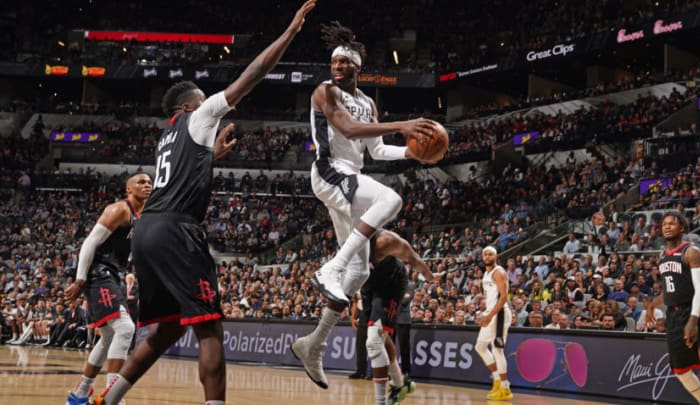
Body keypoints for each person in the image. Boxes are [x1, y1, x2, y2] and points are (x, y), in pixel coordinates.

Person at [93, 3, 317, 404]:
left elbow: (179, 173)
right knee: (209, 326)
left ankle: (106, 400)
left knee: (168, 330)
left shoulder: (167, 137)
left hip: (146, 232)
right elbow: (251, 77)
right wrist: (290, 33)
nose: (208, 101)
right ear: (190, 105)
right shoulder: (198, 116)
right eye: (202, 98)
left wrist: (210, 156)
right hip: (177, 230)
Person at [291, 20, 435, 389]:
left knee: (359, 275)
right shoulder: (325, 92)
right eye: (335, 63)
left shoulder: (368, 102)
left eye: (345, 63)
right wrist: (402, 123)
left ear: (358, 67)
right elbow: (349, 131)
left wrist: (412, 153)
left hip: (351, 177)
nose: (338, 68)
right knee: (391, 198)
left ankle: (313, 343)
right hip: (329, 172)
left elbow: (377, 150)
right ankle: (330, 269)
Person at [63, 172, 152, 405]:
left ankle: (80, 393)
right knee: (125, 328)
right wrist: (80, 279)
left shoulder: (146, 215)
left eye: (149, 182)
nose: (147, 185)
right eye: (141, 182)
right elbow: (89, 242)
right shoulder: (119, 210)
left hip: (114, 274)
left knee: (109, 335)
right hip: (98, 272)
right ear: (128, 190)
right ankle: (113, 398)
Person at [360, 229, 442, 404]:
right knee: (380, 336)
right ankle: (400, 383)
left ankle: (380, 401)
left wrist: (429, 276)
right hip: (369, 284)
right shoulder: (347, 234)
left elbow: (413, 258)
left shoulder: (385, 241)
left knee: (374, 342)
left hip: (391, 284)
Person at [647, 212, 700, 404]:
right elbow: (670, 291)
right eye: (664, 224)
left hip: (696, 314)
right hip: (674, 316)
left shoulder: (691, 252)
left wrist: (693, 321)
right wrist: (651, 306)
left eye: (672, 223)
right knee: (680, 370)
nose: (667, 226)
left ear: (682, 228)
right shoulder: (662, 255)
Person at [474, 246, 513, 401]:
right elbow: (490, 297)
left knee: (497, 350)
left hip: (500, 314)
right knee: (480, 347)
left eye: (490, 254)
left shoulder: (499, 272)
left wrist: (490, 316)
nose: (487, 256)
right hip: (491, 313)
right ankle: (497, 380)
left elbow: (503, 297)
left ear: (496, 257)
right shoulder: (486, 273)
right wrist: (483, 313)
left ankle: (504, 387)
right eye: (485, 254)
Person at [349, 292, 369, 380]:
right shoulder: (358, 286)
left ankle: (374, 372)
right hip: (362, 316)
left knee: (374, 346)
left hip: (372, 314)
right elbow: (355, 303)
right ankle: (361, 371)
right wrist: (353, 318)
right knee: (360, 345)